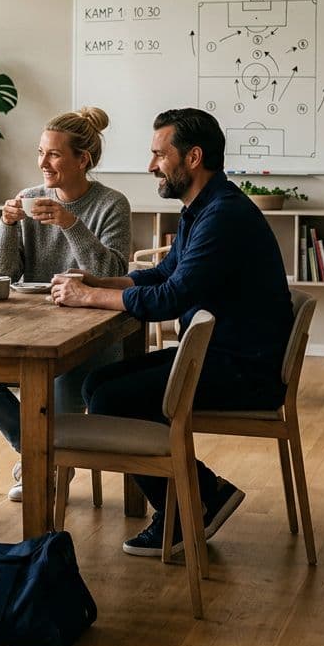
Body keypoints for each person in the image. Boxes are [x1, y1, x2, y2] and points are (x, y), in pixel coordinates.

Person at [51, 108, 293, 557]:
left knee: (111, 397)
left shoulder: (222, 216)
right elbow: (163, 273)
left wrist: (88, 299)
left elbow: (169, 298)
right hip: (220, 355)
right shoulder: (203, 207)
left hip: (242, 370)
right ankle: (206, 492)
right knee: (97, 383)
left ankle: (187, 509)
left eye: (159, 155)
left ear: (193, 157)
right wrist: (96, 282)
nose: (150, 166)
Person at [0, 106, 131, 502]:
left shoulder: (112, 205)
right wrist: (5, 225)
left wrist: (71, 224)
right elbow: (0, 273)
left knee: (58, 377)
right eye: (41, 152)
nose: (43, 162)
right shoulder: (29, 198)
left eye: (54, 154)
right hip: (31, 324)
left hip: (93, 335)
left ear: (83, 160)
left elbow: (111, 270)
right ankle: (39, 453)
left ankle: (48, 469)